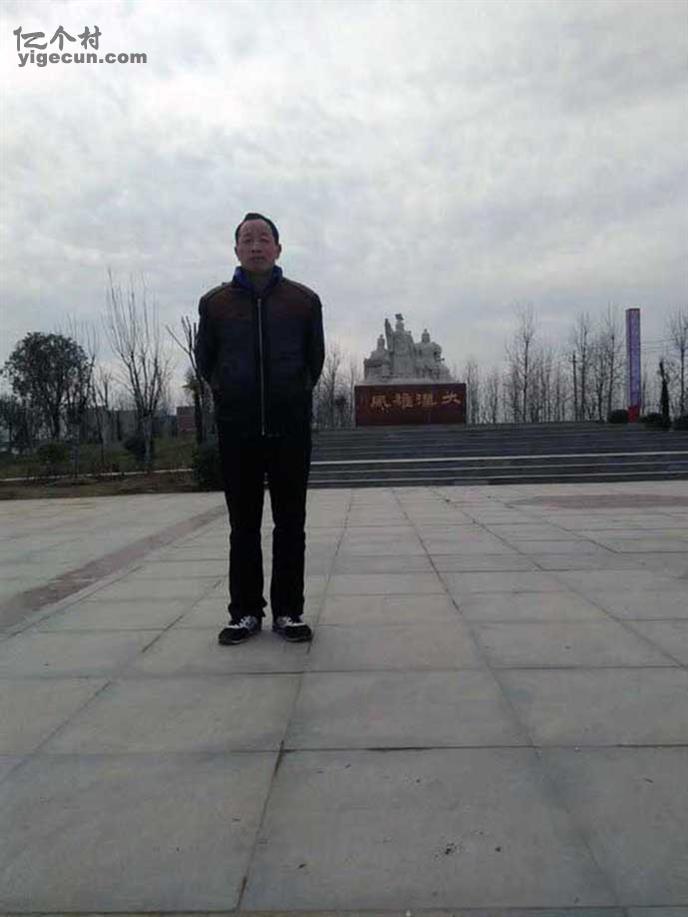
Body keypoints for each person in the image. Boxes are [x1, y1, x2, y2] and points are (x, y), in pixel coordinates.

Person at [195, 213, 325, 645]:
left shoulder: (304, 301)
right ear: (236, 249)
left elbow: (314, 361)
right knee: (243, 526)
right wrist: (228, 394)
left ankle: (288, 611)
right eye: (247, 239)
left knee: (291, 524)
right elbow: (206, 361)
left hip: (290, 431)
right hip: (238, 431)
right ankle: (245, 612)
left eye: (264, 238)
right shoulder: (214, 304)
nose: (256, 246)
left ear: (278, 248)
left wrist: (294, 395)